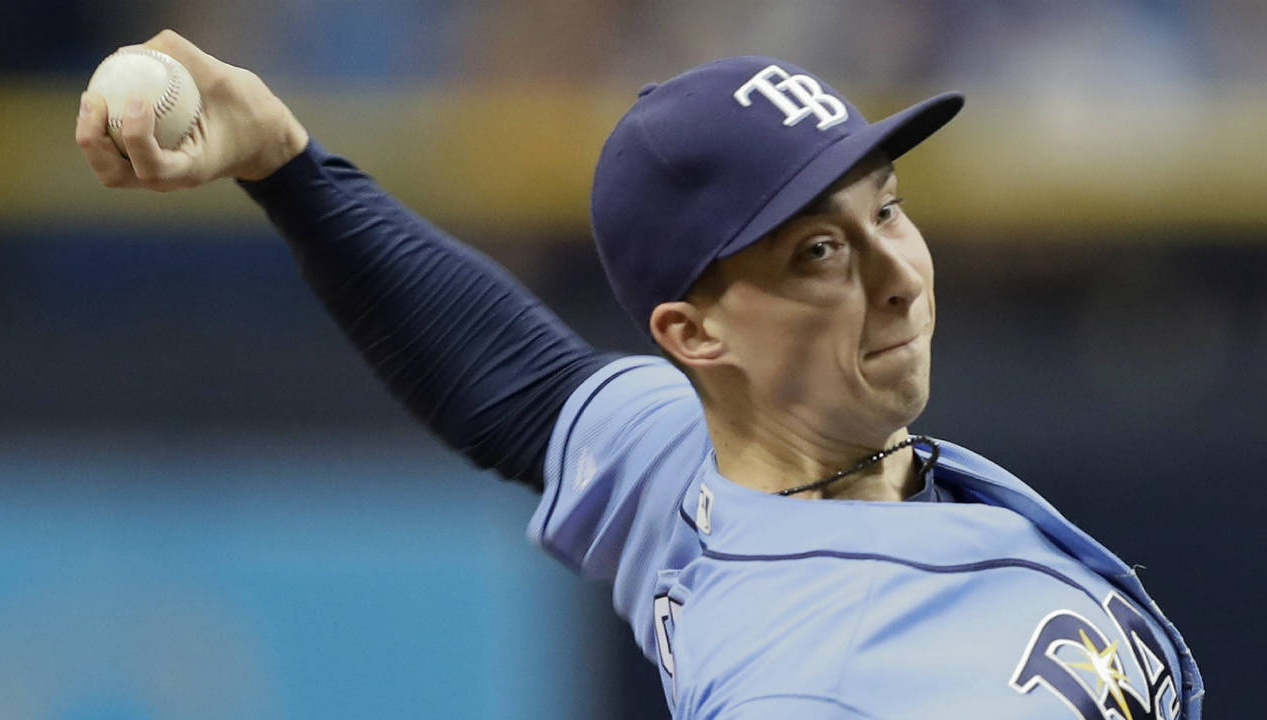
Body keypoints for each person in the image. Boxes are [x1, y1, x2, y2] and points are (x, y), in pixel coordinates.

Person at [76, 30, 1203, 720]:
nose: (895, 275)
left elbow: (514, 384)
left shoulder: (697, 468)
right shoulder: (811, 684)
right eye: (818, 252)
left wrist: (287, 165)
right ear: (694, 333)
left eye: (887, 210)